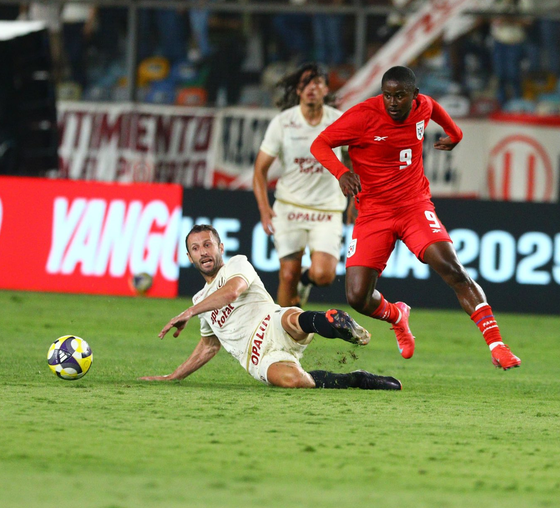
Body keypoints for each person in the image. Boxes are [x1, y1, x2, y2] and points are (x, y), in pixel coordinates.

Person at [310, 66, 521, 370]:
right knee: (357, 296)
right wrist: (342, 173)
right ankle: (397, 315)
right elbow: (320, 143)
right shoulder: (363, 115)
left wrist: (456, 134)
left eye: (400, 96)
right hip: (374, 213)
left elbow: (434, 108)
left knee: (453, 269)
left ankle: (497, 345)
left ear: (414, 96)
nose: (393, 102)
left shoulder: (423, 106)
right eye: (388, 95)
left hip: (414, 207)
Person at [139, 224, 401, 390]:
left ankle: (331, 321)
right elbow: (209, 346)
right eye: (195, 248)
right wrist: (173, 377)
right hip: (260, 359)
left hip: (272, 324)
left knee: (292, 318)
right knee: (293, 381)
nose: (203, 252)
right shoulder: (200, 300)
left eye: (207, 245)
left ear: (220, 247)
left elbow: (232, 291)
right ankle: (356, 379)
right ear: (189, 257)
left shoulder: (236, 265)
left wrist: (189, 312)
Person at [253, 63, 347, 307]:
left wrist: (359, 199)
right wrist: (264, 209)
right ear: (297, 90)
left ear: (326, 89)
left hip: (327, 210)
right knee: (287, 275)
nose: (311, 88)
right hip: (290, 207)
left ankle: (307, 282)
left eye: (317, 82)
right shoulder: (283, 123)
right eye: (305, 83)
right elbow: (260, 170)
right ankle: (283, 338)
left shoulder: (339, 121)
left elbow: (356, 161)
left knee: (324, 275)